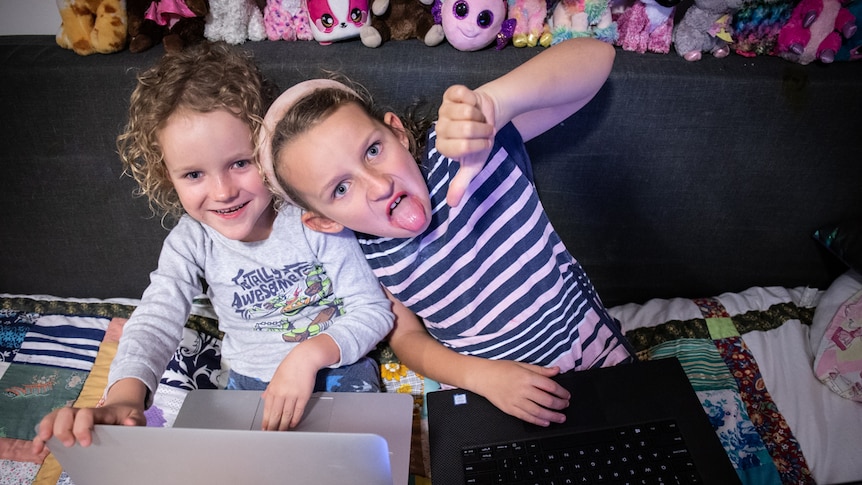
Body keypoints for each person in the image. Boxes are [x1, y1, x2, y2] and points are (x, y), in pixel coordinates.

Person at [32, 42, 394, 454]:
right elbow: (156, 318)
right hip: (248, 387)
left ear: (268, 149)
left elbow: (372, 311)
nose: (223, 192)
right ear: (167, 177)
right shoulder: (192, 241)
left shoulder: (312, 216)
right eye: (193, 174)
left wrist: (308, 357)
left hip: (337, 368)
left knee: (356, 462)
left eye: (240, 163)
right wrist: (124, 398)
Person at [260, 37, 635, 428]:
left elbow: (598, 57)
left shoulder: (466, 152)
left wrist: (496, 103)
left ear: (398, 133)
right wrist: (482, 378)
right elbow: (406, 338)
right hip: (494, 398)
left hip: (594, 359)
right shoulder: (368, 252)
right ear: (325, 222)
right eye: (340, 189)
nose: (378, 185)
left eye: (373, 150)